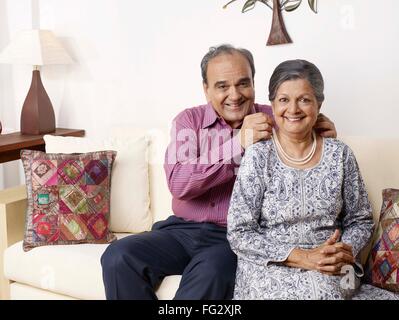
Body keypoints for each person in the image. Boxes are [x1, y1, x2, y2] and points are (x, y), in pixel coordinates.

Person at [100, 45, 337, 300]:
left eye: (243, 84)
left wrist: (321, 131)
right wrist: (238, 144)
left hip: (233, 239)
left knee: (211, 272)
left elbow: (309, 135)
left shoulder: (278, 117)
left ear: (254, 84)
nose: (234, 95)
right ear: (206, 89)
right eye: (222, 86)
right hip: (180, 231)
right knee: (118, 256)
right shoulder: (189, 121)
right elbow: (179, 182)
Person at [227, 59, 399, 300]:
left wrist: (339, 252)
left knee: (327, 291)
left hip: (332, 264)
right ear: (272, 104)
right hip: (271, 265)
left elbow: (360, 220)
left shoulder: (339, 154)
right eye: (284, 99)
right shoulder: (258, 155)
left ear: (319, 104)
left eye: (304, 100)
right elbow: (239, 232)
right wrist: (304, 257)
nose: (293, 109)